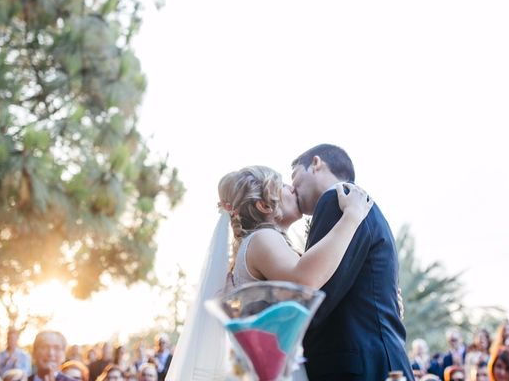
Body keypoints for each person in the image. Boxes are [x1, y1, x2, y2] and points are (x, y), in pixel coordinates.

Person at [166, 164, 373, 380]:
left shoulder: (261, 244)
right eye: (283, 185)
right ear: (264, 205)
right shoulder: (262, 238)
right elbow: (305, 280)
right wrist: (352, 216)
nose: (291, 187)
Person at [291, 143, 414, 381]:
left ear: (316, 164)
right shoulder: (360, 205)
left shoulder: (337, 198)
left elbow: (318, 294)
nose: (292, 189)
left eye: (294, 176)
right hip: (380, 361)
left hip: (357, 367)